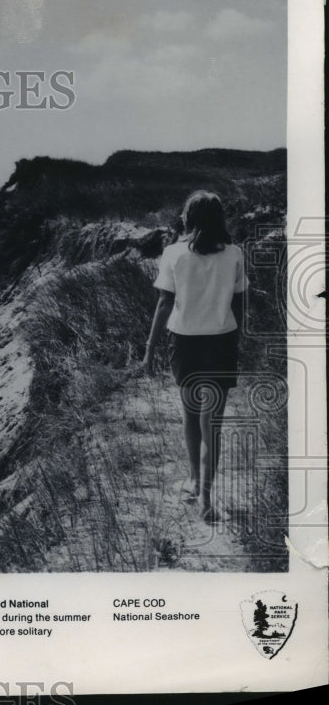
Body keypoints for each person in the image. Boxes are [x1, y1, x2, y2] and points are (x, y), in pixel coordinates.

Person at [141, 190, 247, 523]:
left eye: (185, 213)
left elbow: (163, 304)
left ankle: (192, 481)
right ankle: (205, 498)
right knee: (211, 424)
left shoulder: (173, 253)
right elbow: (239, 303)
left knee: (191, 416)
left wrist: (149, 349)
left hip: (184, 343)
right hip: (221, 341)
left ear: (190, 218)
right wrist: (235, 338)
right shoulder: (234, 254)